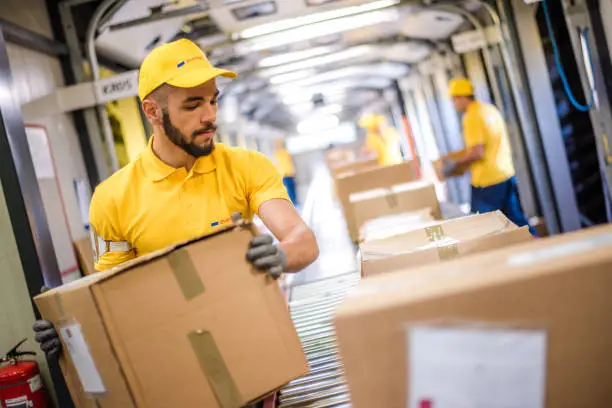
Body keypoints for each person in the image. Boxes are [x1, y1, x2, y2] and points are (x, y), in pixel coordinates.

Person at [33, 38, 319, 364]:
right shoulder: (111, 198)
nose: (210, 116)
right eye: (193, 105)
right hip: (175, 362)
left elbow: (304, 240)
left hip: (252, 345)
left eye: (213, 101)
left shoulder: (247, 166)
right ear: (153, 111)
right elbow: (110, 298)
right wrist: (69, 332)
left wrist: (281, 255)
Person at [442, 78, 537, 235]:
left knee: (484, 229)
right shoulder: (489, 109)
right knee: (516, 220)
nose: (453, 104)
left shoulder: (472, 116)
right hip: (505, 174)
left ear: (461, 97)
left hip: (487, 181)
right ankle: (539, 245)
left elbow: (477, 152)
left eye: (453, 99)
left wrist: (452, 163)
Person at [273, 139, 298, 205]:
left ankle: (295, 201)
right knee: (288, 189)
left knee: (292, 188)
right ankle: (293, 202)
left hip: (290, 173)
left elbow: (291, 162)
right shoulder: (277, 154)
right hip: (284, 174)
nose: (277, 146)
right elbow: (277, 165)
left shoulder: (286, 153)